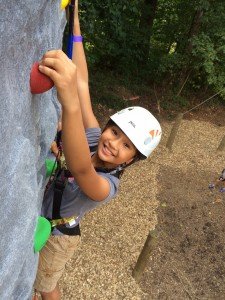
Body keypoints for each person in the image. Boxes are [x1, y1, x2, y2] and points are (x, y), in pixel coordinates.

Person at [33, 1, 162, 299]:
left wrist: (70, 105)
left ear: (133, 160)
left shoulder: (106, 187)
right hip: (39, 214)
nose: (113, 143)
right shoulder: (94, 138)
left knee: (46, 286)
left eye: (126, 145)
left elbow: (80, 168)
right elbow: (81, 82)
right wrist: (75, 23)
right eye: (114, 131)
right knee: (29, 274)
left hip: (57, 236)